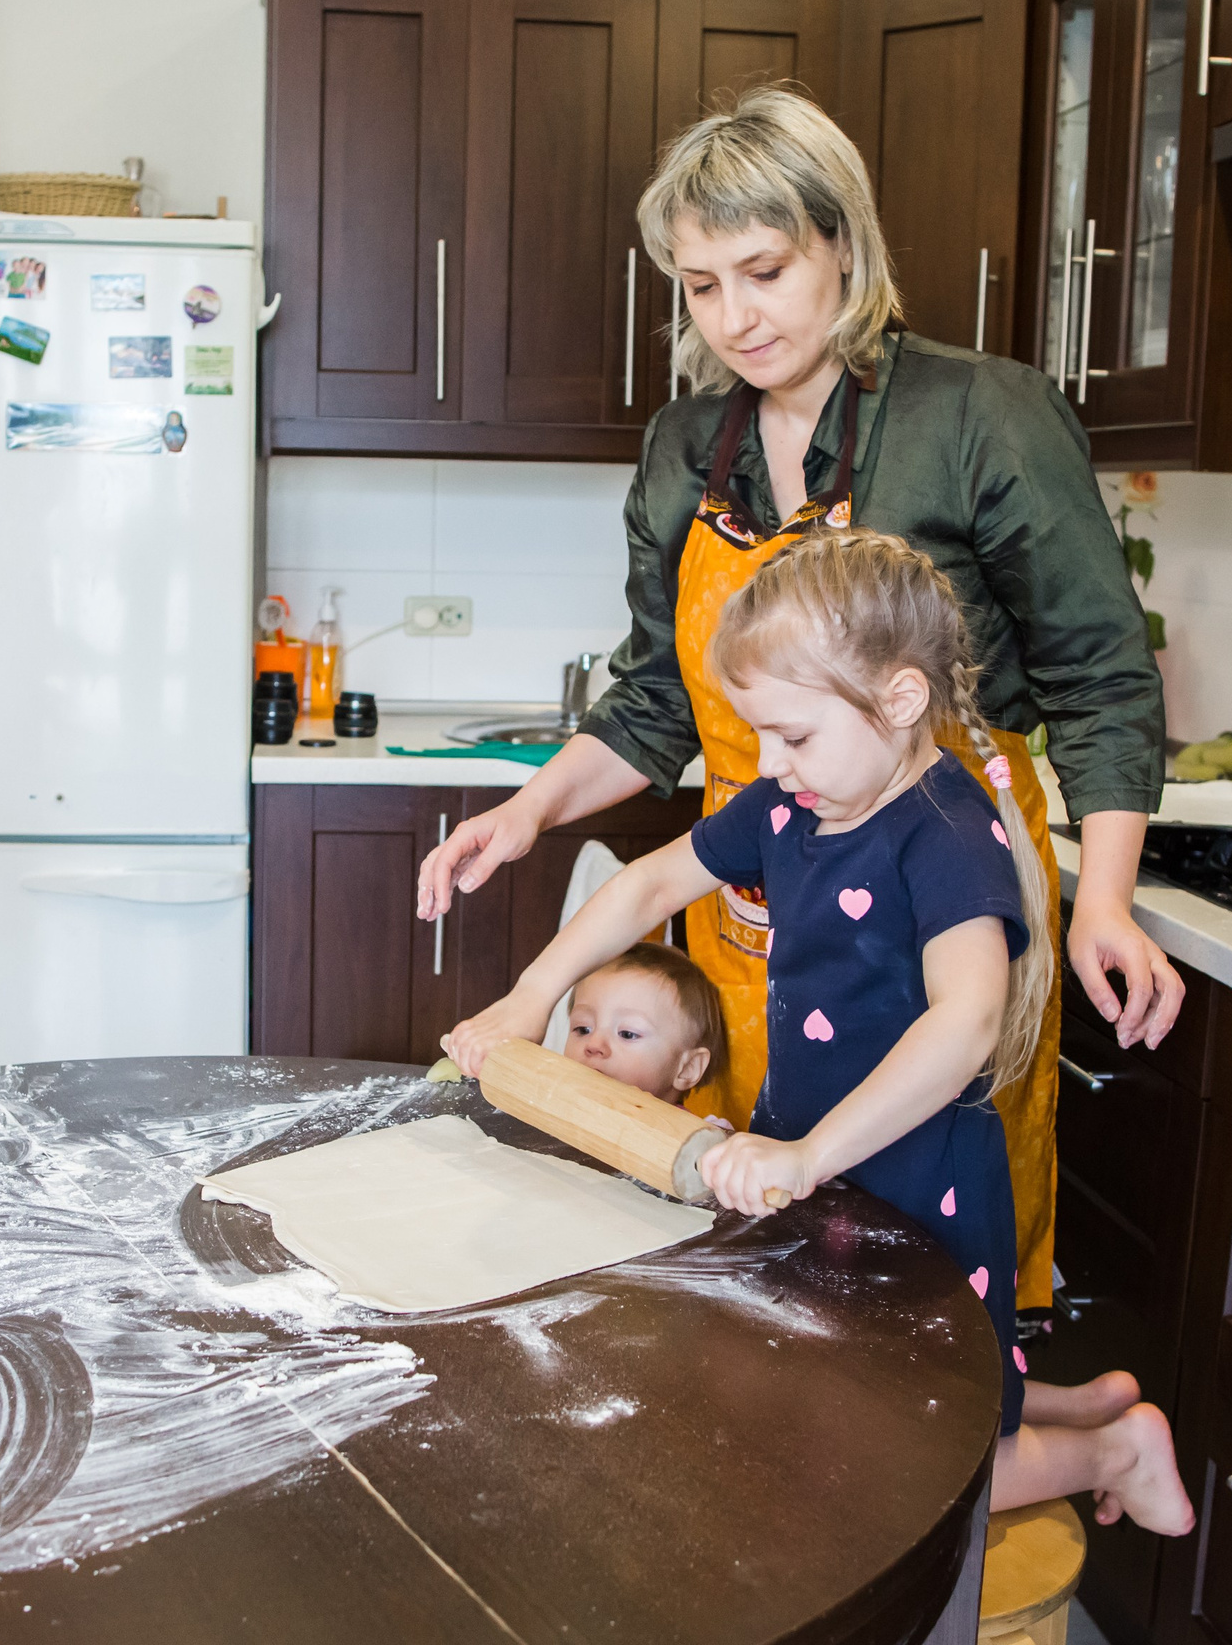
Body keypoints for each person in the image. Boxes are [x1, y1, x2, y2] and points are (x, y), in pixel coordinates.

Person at [418, 86, 1183, 1330]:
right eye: (701, 286)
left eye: (764, 271)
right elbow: (657, 700)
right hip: (750, 901)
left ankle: (1010, 1428)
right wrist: (529, 812)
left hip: (929, 894)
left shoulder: (977, 417)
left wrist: (1099, 898)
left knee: (918, 1266)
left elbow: (1102, 678)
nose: (735, 317)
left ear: (842, 242)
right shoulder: (685, 445)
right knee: (749, 1250)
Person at [444, 531, 1193, 1533]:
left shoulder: (944, 833)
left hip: (916, 1192)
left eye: (792, 736)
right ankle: (1072, 1405)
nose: (768, 765)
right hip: (813, 1169)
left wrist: (808, 1154)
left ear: (899, 700)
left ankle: (1115, 1449)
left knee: (909, 1466)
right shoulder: (792, 807)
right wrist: (529, 997)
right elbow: (650, 885)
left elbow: (965, 1022)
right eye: (760, 735)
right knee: (847, 1392)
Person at [562, 941, 726, 1103]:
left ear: (688, 1068)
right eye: (583, 1029)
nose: (594, 1045)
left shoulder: (695, 1125)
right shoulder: (554, 1103)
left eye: (627, 1034)